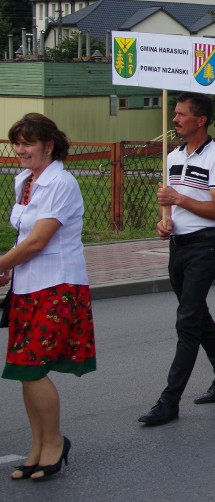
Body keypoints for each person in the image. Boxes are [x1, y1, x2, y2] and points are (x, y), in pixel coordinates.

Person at [0, 114, 94, 481]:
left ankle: (55, 442)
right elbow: (24, 235)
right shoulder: (25, 181)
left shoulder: (61, 183)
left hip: (57, 285)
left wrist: (2, 263)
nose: (20, 150)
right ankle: (38, 446)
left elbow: (39, 240)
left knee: (32, 366)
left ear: (48, 146)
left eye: (28, 143)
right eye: (17, 143)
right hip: (27, 285)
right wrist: (9, 267)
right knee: (24, 368)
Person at [139, 92, 215, 427]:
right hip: (178, 246)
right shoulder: (172, 157)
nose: (175, 119)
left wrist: (179, 198)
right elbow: (167, 203)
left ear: (201, 120)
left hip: (204, 246)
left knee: (187, 322)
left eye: (182, 114)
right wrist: (164, 223)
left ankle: (169, 401)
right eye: (175, 113)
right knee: (196, 315)